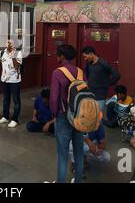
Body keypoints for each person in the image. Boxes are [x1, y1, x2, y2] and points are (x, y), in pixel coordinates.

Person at [50, 44, 84, 183]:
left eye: (58, 54)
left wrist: (54, 114)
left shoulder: (57, 73)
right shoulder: (80, 72)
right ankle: (78, 180)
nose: (56, 57)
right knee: (78, 151)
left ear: (62, 56)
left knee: (63, 153)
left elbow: (54, 97)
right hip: (80, 115)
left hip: (64, 115)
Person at [82, 46, 121, 113]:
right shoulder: (88, 64)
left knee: (99, 119)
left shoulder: (103, 63)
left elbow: (116, 75)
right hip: (89, 96)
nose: (85, 59)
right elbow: (86, 75)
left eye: (86, 56)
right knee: (90, 118)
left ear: (91, 54)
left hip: (100, 96)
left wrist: (107, 84)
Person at [0, 39, 23, 128]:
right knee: (6, 99)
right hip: (4, 79)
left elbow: (17, 66)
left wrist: (13, 55)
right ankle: (5, 117)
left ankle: (15, 119)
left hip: (15, 80)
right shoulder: (2, 52)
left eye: (11, 43)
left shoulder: (18, 53)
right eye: (8, 42)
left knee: (16, 100)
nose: (9, 44)